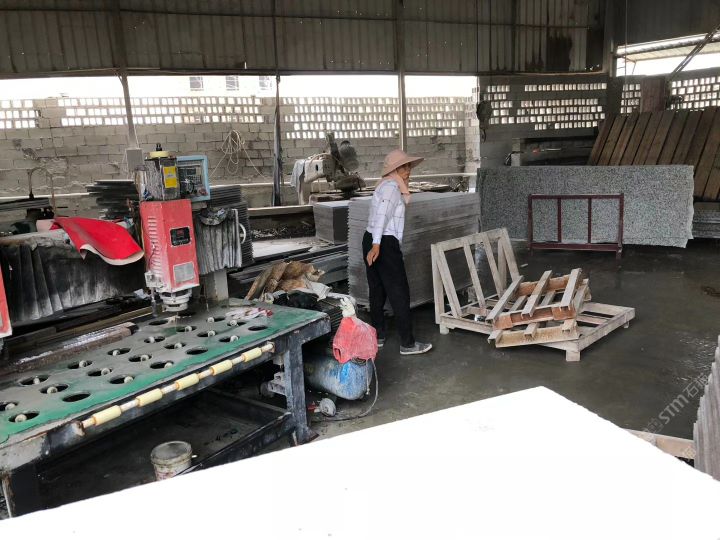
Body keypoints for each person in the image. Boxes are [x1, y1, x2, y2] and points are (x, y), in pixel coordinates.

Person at [362, 149, 432, 356]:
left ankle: (378, 336)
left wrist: (373, 243)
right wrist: (377, 245)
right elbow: (382, 216)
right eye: (403, 167)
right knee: (399, 292)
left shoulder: (385, 184)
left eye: (408, 166)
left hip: (371, 238)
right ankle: (407, 344)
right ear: (393, 169)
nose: (408, 170)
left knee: (377, 290)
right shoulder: (392, 188)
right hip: (383, 242)